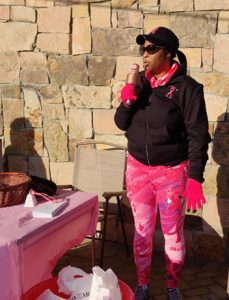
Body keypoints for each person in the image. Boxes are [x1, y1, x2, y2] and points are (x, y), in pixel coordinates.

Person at [114, 27, 211, 300]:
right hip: (137, 169)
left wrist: (195, 177)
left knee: (172, 234)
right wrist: (128, 99)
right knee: (142, 232)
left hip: (171, 172)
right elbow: (121, 123)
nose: (144, 55)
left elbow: (197, 135)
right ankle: (142, 284)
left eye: (151, 49)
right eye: (142, 49)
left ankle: (172, 286)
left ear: (167, 53)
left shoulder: (187, 89)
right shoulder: (141, 85)